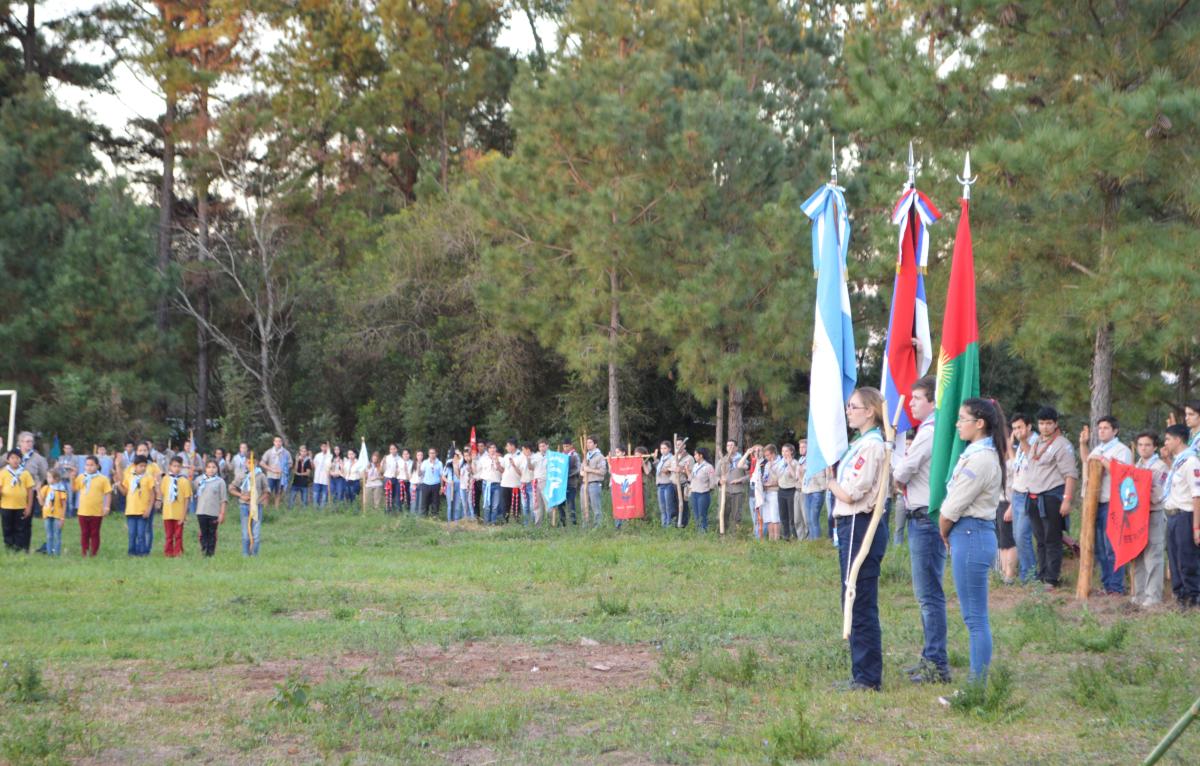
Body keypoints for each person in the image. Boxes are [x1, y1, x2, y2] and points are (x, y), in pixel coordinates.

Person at [937, 398, 1006, 696]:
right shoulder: (977, 454)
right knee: (974, 616)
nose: (957, 423)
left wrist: (943, 530)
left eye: (962, 418)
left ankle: (976, 688)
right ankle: (976, 683)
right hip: (970, 533)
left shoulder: (980, 459)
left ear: (980, 423)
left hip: (970, 532)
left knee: (975, 617)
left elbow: (952, 506)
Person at [827, 387, 890, 691]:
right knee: (851, 598)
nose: (848, 411)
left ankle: (867, 676)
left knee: (859, 600)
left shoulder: (872, 446)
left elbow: (853, 491)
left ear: (870, 412)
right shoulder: (860, 443)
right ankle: (859, 670)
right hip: (850, 523)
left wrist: (830, 482)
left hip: (860, 524)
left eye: (854, 407)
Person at [892, 375, 948, 684]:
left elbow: (903, 470)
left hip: (924, 517)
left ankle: (936, 663)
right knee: (926, 594)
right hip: (923, 516)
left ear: (931, 401)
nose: (911, 404)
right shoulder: (928, 429)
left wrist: (896, 470)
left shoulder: (929, 431)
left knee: (929, 595)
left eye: (916, 399)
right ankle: (930, 656)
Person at [1024, 406, 1079, 588]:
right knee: (1040, 540)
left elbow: (1070, 474)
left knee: (1052, 539)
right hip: (1033, 496)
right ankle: (1042, 574)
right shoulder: (1036, 442)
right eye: (1041, 423)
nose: (1045, 427)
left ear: (1055, 424)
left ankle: (1052, 578)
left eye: (1049, 423)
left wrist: (1067, 499)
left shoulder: (1062, 445)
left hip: (1051, 497)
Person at [1079, 416, 1134, 595]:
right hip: (1097, 503)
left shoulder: (1121, 450)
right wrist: (1084, 446)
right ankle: (1107, 584)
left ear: (1115, 431)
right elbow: (1087, 464)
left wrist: (1103, 461)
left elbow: (1123, 474)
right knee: (1100, 548)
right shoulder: (1097, 449)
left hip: (1113, 503)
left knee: (1112, 547)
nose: (1102, 431)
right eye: (1100, 428)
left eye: (1106, 428)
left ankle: (1117, 588)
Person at [1162, 424, 1200, 609]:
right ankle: (1180, 596)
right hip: (1172, 516)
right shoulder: (1178, 461)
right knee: (1174, 558)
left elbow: (1196, 495)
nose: (1166, 442)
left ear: (1178, 440)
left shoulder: (1192, 461)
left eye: (1168, 439)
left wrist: (1196, 527)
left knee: (1187, 559)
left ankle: (1193, 598)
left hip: (1185, 516)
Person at [1131, 431, 1169, 608]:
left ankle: (1153, 597)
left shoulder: (1160, 467)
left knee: (1153, 556)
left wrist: (1141, 489)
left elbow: (1158, 495)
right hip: (1136, 516)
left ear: (1154, 447)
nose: (1143, 448)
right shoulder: (1137, 465)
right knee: (1137, 555)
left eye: (1147, 445)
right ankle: (1139, 595)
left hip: (1153, 514)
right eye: (1140, 445)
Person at [1008, 414, 1038, 582]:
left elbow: (1034, 459)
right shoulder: (1020, 445)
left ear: (1028, 426)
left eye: (1020, 427)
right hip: (1017, 493)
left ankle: (1031, 576)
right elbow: (1017, 466)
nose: (1017, 431)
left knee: (1022, 535)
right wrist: (1010, 447)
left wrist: (1023, 442)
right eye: (1014, 428)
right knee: (1016, 535)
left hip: (1028, 493)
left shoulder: (1035, 442)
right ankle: (1026, 573)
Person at [118, 455, 157, 557]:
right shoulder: (129, 477)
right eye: (140, 466)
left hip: (142, 511)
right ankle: (131, 552)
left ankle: (142, 552)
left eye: (145, 466)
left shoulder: (149, 478)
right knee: (132, 534)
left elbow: (153, 495)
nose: (143, 468)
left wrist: (149, 509)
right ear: (135, 466)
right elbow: (125, 492)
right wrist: (118, 485)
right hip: (131, 511)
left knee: (141, 534)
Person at [74, 455, 112, 556]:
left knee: (94, 533)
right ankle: (84, 551)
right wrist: (71, 477)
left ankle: (94, 552)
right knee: (84, 533)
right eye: (87, 465)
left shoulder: (103, 479)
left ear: (97, 466)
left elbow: (108, 493)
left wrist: (107, 507)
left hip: (96, 511)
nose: (89, 467)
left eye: (92, 465)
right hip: (83, 511)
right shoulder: (81, 477)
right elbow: (74, 488)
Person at [231, 458, 268, 556]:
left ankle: (255, 554)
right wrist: (241, 495)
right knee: (245, 533)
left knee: (256, 533)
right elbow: (231, 488)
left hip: (257, 507)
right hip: (244, 506)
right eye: (248, 462)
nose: (250, 464)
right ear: (245, 463)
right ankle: (245, 554)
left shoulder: (260, 475)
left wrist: (258, 500)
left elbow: (266, 491)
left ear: (256, 463)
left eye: (253, 462)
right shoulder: (241, 475)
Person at [1, 449, 35, 552]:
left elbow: (30, 491)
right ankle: (9, 546)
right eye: (12, 458)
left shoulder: (25, 473)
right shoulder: (3, 473)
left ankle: (18, 547)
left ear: (21, 460)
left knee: (20, 528)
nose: (15, 460)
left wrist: (29, 506)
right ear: (8, 460)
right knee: (7, 528)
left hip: (20, 506)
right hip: (6, 506)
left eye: (17, 458)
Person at [160, 456, 193, 557]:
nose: (176, 468)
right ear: (170, 466)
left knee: (178, 535)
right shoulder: (165, 479)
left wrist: (184, 515)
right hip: (168, 513)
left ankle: (178, 552)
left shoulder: (184, 481)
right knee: (169, 535)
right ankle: (168, 552)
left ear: (181, 467)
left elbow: (187, 498)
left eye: (178, 466)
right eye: (174, 466)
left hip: (179, 513)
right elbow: (162, 494)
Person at [194, 460, 227, 557]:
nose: (211, 469)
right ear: (205, 468)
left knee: (212, 533)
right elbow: (191, 489)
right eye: (209, 467)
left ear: (217, 469)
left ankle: (211, 552)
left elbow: (223, 499)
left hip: (214, 513)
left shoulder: (220, 482)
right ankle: (204, 549)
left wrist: (222, 513)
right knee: (203, 532)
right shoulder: (199, 480)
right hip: (201, 511)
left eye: (213, 467)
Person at [799, 439, 828, 541]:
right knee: (809, 520)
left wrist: (823, 488)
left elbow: (822, 476)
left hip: (816, 491)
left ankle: (817, 542)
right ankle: (812, 542)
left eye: (804, 447)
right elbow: (802, 478)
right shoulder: (802, 460)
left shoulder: (817, 459)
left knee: (813, 519)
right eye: (800, 447)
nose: (801, 449)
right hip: (807, 491)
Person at [716, 440, 747, 534]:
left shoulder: (742, 459)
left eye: (732, 445)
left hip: (737, 491)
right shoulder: (722, 459)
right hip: (725, 491)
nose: (730, 447)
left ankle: (735, 534)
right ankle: (722, 533)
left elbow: (750, 475)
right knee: (723, 513)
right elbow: (716, 475)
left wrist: (740, 480)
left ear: (737, 448)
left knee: (736, 514)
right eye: (728, 445)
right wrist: (719, 481)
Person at [38, 469, 68, 556]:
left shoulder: (61, 489)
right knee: (49, 535)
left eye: (49, 477)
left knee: (57, 535)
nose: (47, 479)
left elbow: (64, 504)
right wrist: (39, 491)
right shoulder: (46, 488)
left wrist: (62, 517)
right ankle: (49, 552)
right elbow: (41, 503)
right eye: (47, 477)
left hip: (57, 515)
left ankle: (57, 553)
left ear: (56, 479)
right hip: (47, 514)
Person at [690, 447, 717, 532]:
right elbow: (692, 478)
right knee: (696, 514)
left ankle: (704, 532)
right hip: (694, 493)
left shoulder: (708, 467)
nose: (694, 456)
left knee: (702, 514)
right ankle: (699, 531)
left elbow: (713, 481)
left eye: (695, 454)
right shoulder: (695, 466)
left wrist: (708, 489)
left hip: (703, 493)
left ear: (701, 455)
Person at [261, 436, 291, 509]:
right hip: (271, 476)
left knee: (278, 493)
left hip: (281, 477)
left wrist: (284, 469)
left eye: (280, 441)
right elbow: (262, 463)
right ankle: (265, 509)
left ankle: (276, 509)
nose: (278, 443)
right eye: (276, 441)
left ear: (282, 442)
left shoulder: (286, 453)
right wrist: (271, 469)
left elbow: (290, 463)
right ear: (274, 442)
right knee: (267, 493)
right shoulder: (269, 452)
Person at [582, 436, 606, 528]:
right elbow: (581, 470)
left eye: (590, 442)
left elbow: (603, 471)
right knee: (584, 507)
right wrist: (583, 471)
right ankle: (586, 526)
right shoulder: (586, 456)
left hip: (594, 484)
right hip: (585, 484)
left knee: (596, 507)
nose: (588, 444)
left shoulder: (600, 456)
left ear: (595, 444)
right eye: (587, 442)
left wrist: (589, 470)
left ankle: (598, 527)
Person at [778, 443, 799, 540]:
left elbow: (794, 476)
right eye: (782, 451)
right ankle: (786, 536)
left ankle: (794, 536)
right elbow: (777, 476)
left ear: (791, 451)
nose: (784, 453)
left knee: (792, 516)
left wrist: (789, 463)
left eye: (786, 451)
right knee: (783, 515)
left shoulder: (795, 462)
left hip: (791, 490)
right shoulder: (780, 463)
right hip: (781, 490)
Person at [499, 440, 524, 523]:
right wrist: (497, 465)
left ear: (513, 446)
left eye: (507, 445)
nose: (506, 448)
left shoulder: (521, 455)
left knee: (515, 506)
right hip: (505, 484)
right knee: (504, 505)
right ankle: (505, 522)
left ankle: (517, 522)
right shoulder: (506, 456)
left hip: (515, 485)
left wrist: (514, 465)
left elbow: (522, 473)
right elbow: (502, 470)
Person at [655, 441, 676, 528]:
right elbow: (659, 469)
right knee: (662, 507)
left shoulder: (672, 458)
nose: (662, 450)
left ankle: (669, 525)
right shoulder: (662, 459)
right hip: (660, 484)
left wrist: (667, 470)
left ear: (669, 449)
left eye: (665, 448)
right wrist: (656, 460)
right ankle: (664, 525)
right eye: (661, 448)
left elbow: (672, 469)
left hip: (668, 484)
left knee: (668, 506)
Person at [419, 448, 443, 518]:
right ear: (428, 454)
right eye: (430, 453)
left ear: (436, 454)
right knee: (424, 501)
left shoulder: (439, 463)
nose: (432, 454)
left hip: (436, 485)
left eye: (433, 453)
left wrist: (442, 486)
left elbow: (441, 475)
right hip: (426, 484)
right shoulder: (425, 462)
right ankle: (424, 515)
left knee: (435, 501)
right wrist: (419, 466)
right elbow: (420, 474)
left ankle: (434, 516)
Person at [312, 442, 332, 508]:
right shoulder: (317, 455)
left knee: (324, 495)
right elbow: (314, 465)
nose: (324, 448)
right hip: (317, 478)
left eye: (325, 446)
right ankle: (315, 509)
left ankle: (322, 510)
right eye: (323, 446)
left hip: (325, 479)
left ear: (327, 447)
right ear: (321, 447)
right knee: (315, 494)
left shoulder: (330, 456)